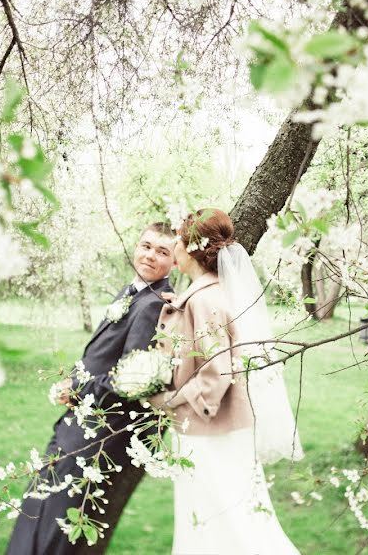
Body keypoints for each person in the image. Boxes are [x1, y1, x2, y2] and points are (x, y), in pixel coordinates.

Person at [6, 222, 176, 555]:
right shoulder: (132, 293)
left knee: (58, 528)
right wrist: (72, 381)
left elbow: (131, 379)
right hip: (76, 425)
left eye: (162, 251)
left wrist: (79, 390)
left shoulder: (153, 305)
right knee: (37, 513)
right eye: (146, 245)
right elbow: (102, 358)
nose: (150, 255)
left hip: (97, 435)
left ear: (173, 261)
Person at [149, 208, 303, 555]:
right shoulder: (204, 294)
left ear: (190, 247)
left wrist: (171, 400)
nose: (172, 247)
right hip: (212, 431)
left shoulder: (205, 298)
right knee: (221, 521)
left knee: (228, 525)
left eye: (176, 239)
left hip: (210, 432)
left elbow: (218, 368)